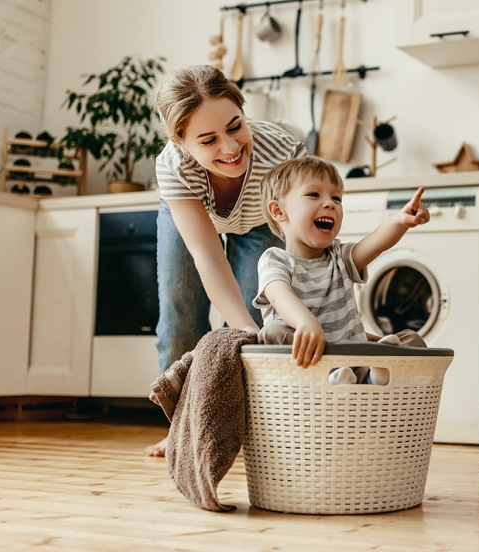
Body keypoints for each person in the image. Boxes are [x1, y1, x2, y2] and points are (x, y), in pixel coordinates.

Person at [145, 65, 305, 457]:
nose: (230, 147)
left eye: (236, 126)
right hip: (194, 213)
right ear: (181, 143)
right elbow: (206, 255)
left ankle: (243, 429)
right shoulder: (174, 165)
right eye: (209, 140)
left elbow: (301, 239)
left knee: (259, 319)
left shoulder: (284, 153)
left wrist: (252, 329)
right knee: (180, 315)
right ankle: (183, 429)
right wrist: (243, 329)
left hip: (262, 221)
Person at [254, 156, 430, 383]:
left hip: (354, 360)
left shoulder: (340, 257)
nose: (330, 203)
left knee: (412, 340)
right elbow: (279, 295)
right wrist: (306, 323)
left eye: (336, 198)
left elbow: (375, 243)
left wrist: (400, 221)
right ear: (279, 211)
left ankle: (375, 376)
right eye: (313, 194)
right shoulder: (275, 259)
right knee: (272, 333)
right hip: (307, 366)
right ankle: (343, 377)